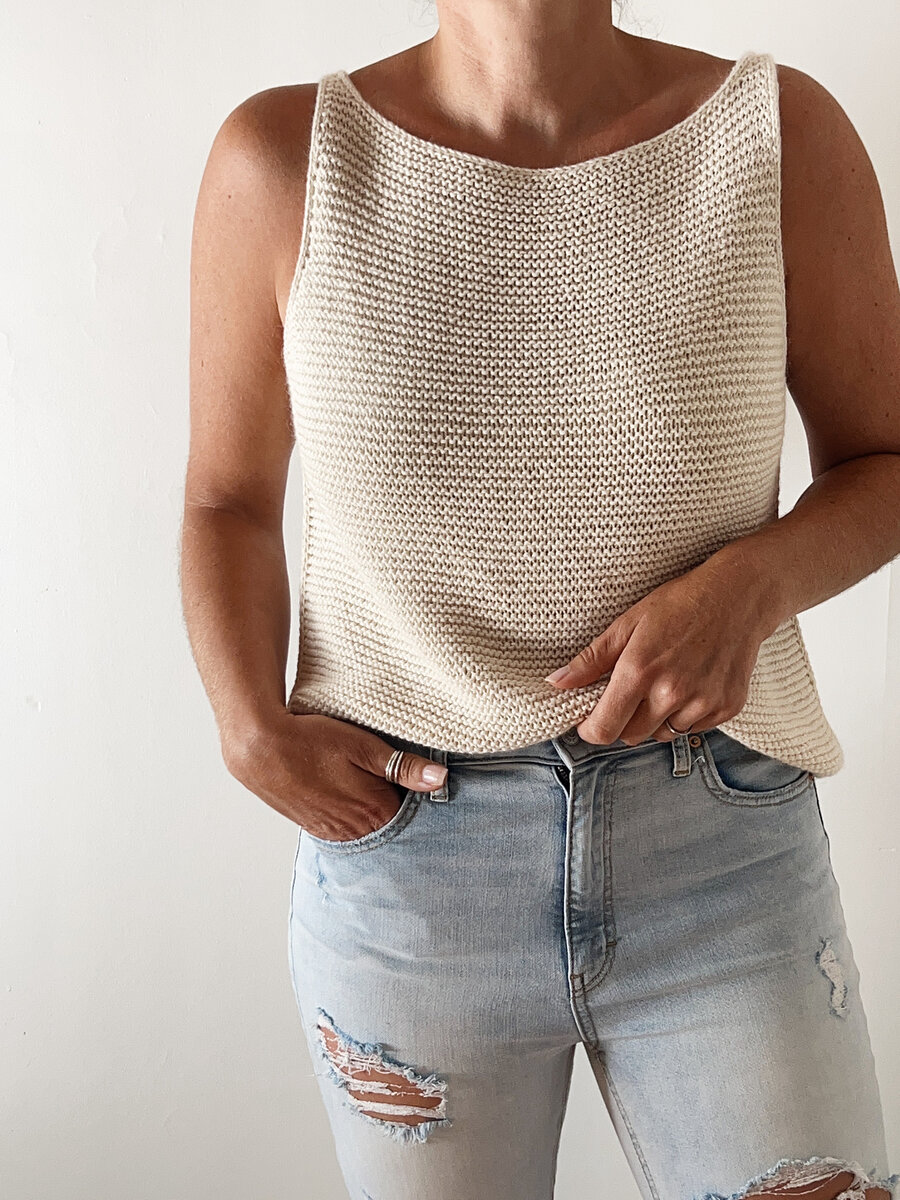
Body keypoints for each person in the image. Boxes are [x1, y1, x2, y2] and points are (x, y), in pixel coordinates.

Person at [180, 4, 900, 1198]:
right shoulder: (284, 159)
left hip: (720, 853)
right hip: (411, 862)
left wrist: (752, 587)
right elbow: (227, 500)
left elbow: (883, 460)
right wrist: (244, 721)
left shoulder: (778, 134)